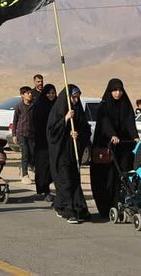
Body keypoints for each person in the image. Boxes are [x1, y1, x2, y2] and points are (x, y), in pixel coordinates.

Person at [91, 79, 139, 219]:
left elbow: (130, 121)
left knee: (123, 176)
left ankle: (123, 204)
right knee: (108, 177)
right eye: (115, 90)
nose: (118, 93)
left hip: (123, 147)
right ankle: (107, 207)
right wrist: (112, 134)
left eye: (120, 90)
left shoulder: (125, 104)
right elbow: (105, 122)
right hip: (107, 148)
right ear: (110, 91)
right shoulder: (104, 106)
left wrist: (135, 136)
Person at [47, 85, 91, 224]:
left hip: (73, 152)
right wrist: (65, 120)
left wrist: (77, 135)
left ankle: (72, 207)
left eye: (78, 97)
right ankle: (70, 211)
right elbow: (51, 132)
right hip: (60, 153)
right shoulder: (58, 111)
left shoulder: (78, 111)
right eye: (73, 97)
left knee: (74, 180)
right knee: (66, 181)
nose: (76, 100)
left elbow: (86, 130)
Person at [33, 84, 57, 201]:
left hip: (54, 141)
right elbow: (37, 123)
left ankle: (50, 188)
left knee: (53, 165)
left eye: (53, 93)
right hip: (42, 141)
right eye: (49, 93)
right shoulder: (39, 106)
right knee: (43, 166)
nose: (51, 95)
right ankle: (44, 190)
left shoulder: (57, 106)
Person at [12, 86, 34, 185]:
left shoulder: (34, 105)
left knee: (32, 153)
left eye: (30, 93)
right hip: (21, 133)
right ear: (22, 95)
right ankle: (25, 175)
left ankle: (25, 168)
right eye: (27, 93)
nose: (30, 95)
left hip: (32, 134)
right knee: (25, 153)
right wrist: (14, 135)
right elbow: (15, 121)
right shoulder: (19, 107)